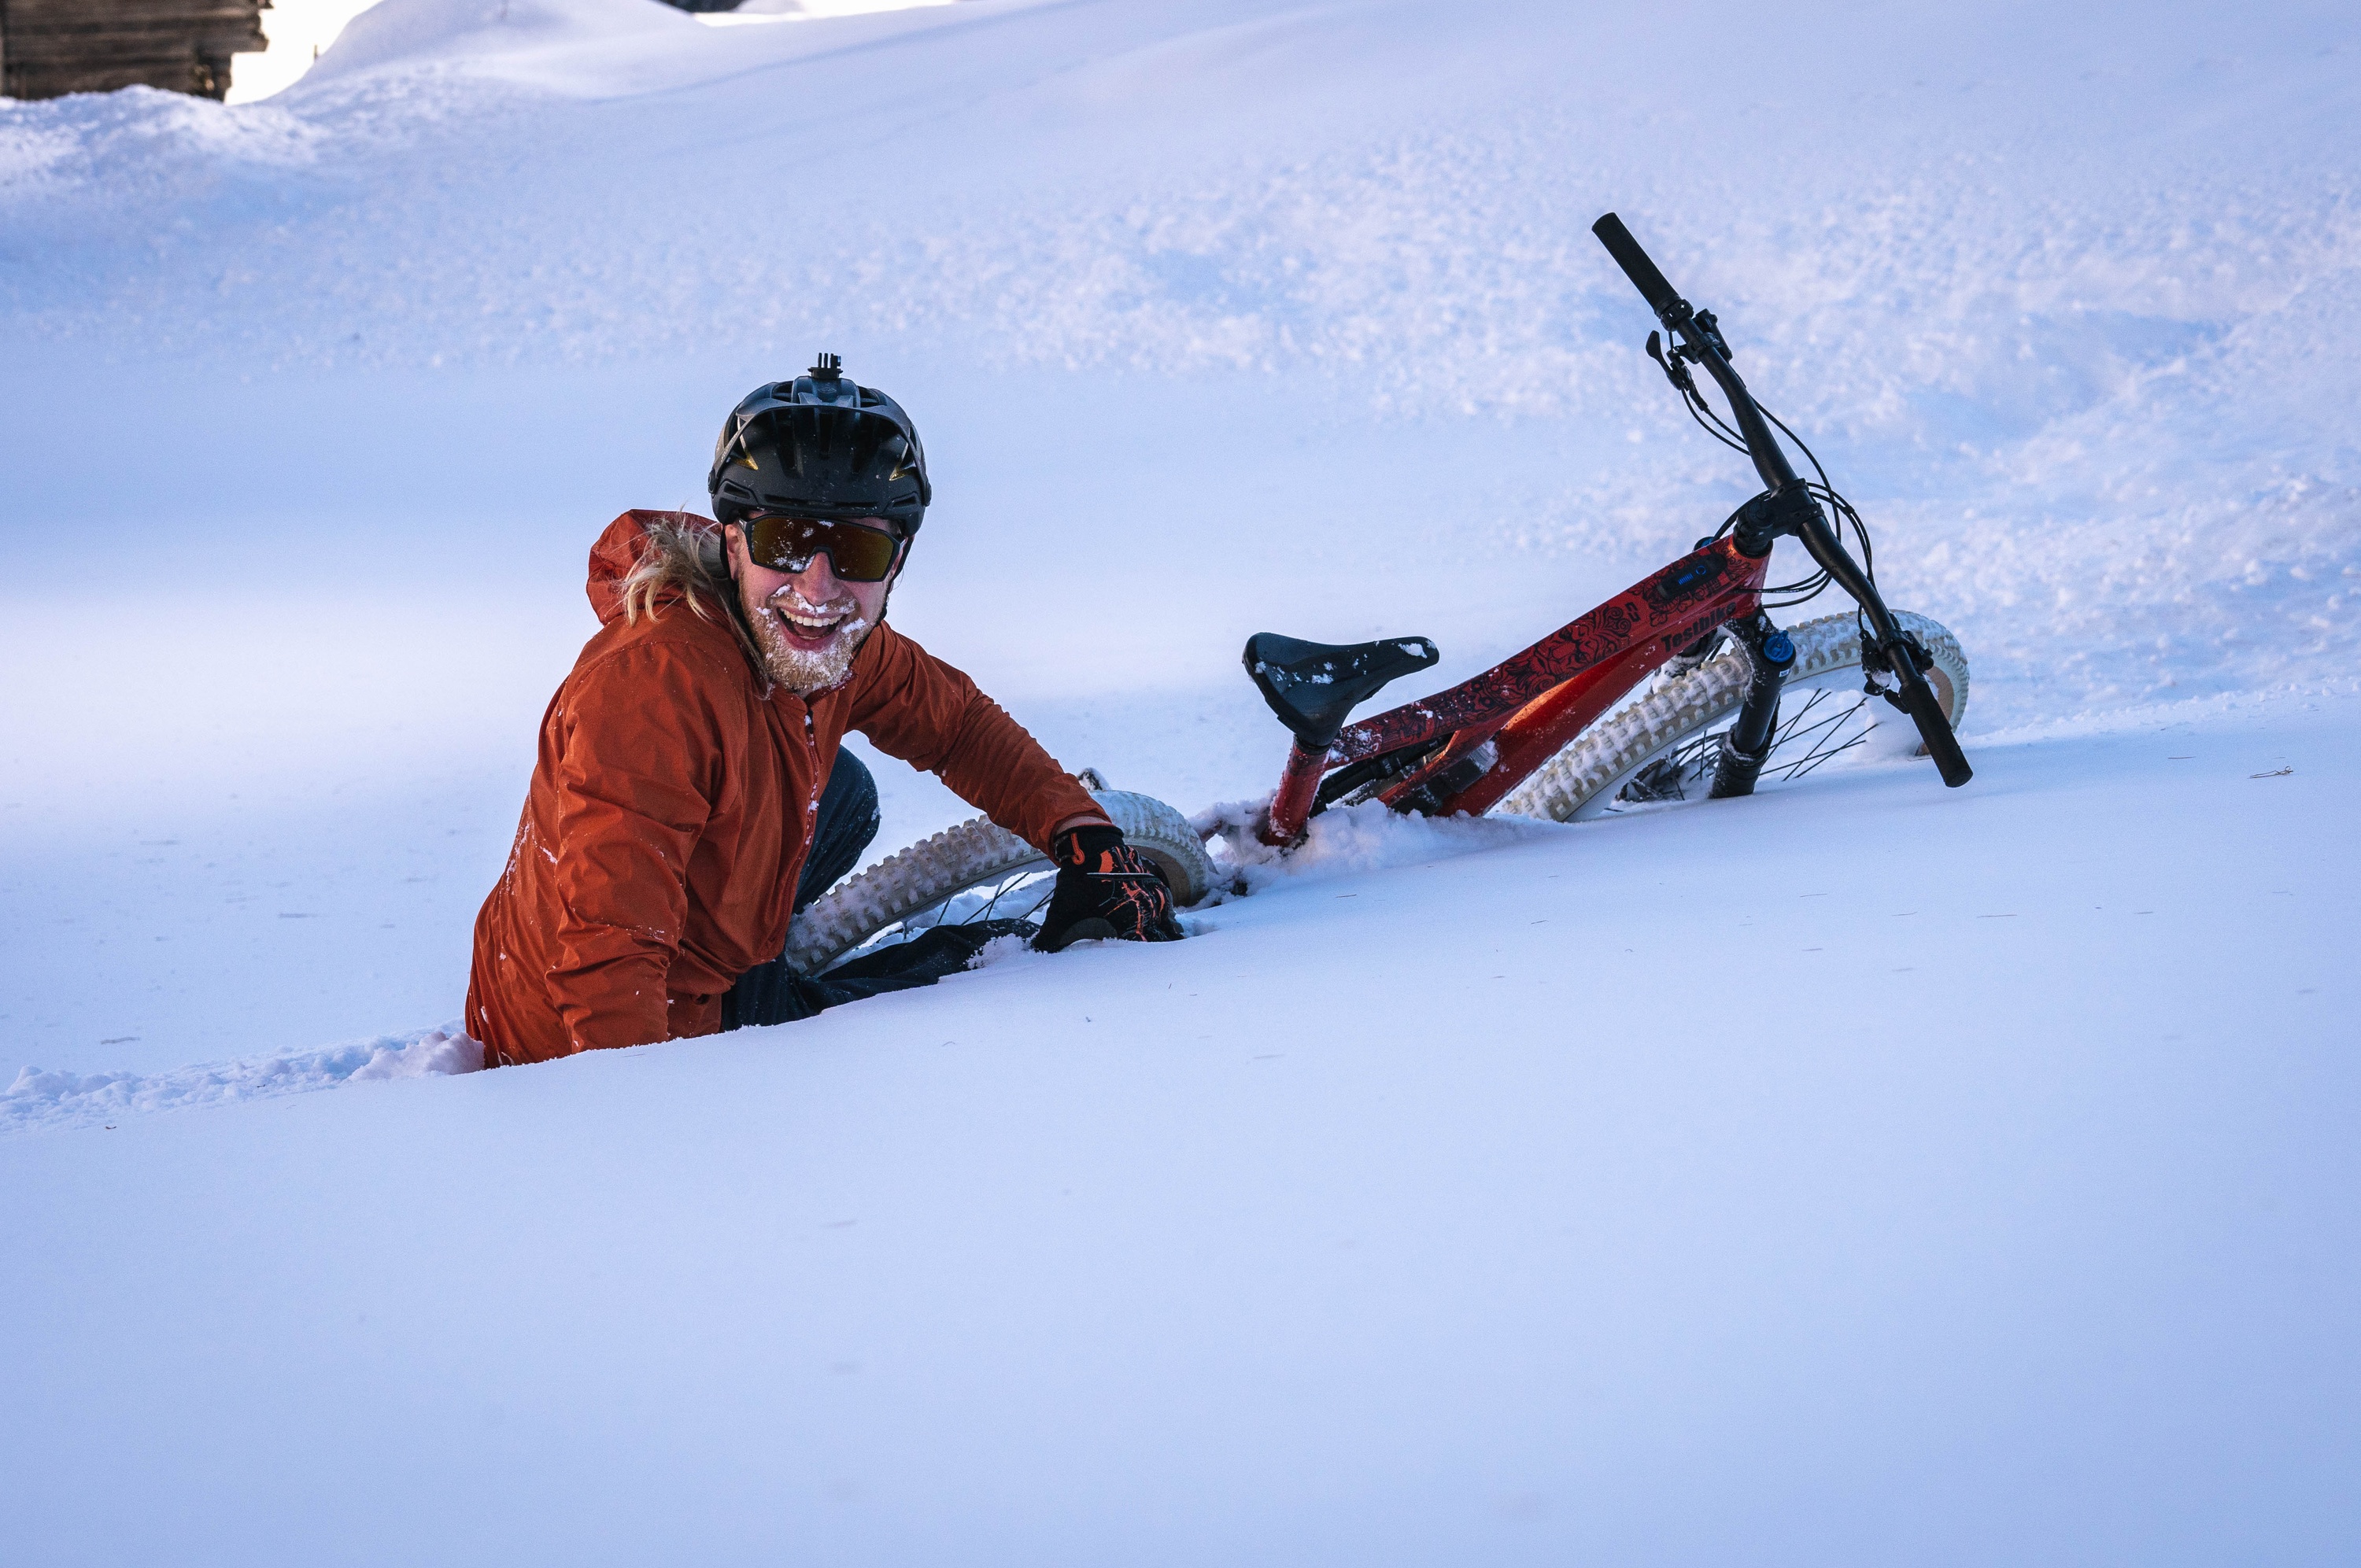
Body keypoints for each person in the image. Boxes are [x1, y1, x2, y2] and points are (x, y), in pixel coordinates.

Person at [464, 353, 1182, 1067]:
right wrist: (657, 1126)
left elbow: (956, 725)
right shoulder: (652, 692)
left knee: (844, 790)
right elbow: (605, 968)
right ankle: (787, 997)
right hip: (580, 1033)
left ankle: (753, 945)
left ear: (896, 562)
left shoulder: (829, 641)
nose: (817, 587)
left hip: (674, 942)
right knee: (961, 970)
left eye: (857, 549)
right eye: (787, 541)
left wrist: (1081, 830)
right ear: (735, 542)